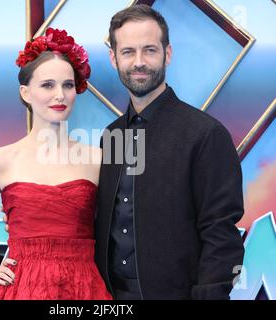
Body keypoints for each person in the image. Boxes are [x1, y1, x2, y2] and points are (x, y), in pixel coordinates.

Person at [93, 5, 245, 300]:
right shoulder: (111, 135)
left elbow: (221, 232)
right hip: (109, 297)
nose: (139, 62)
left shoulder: (205, 134)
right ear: (113, 59)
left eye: (149, 50)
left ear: (168, 53)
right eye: (128, 52)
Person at [0, 27, 112, 300]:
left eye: (67, 85)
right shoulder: (0, 160)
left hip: (83, 287)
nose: (60, 95)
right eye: (47, 85)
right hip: (20, 287)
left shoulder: (98, 159)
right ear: (26, 93)